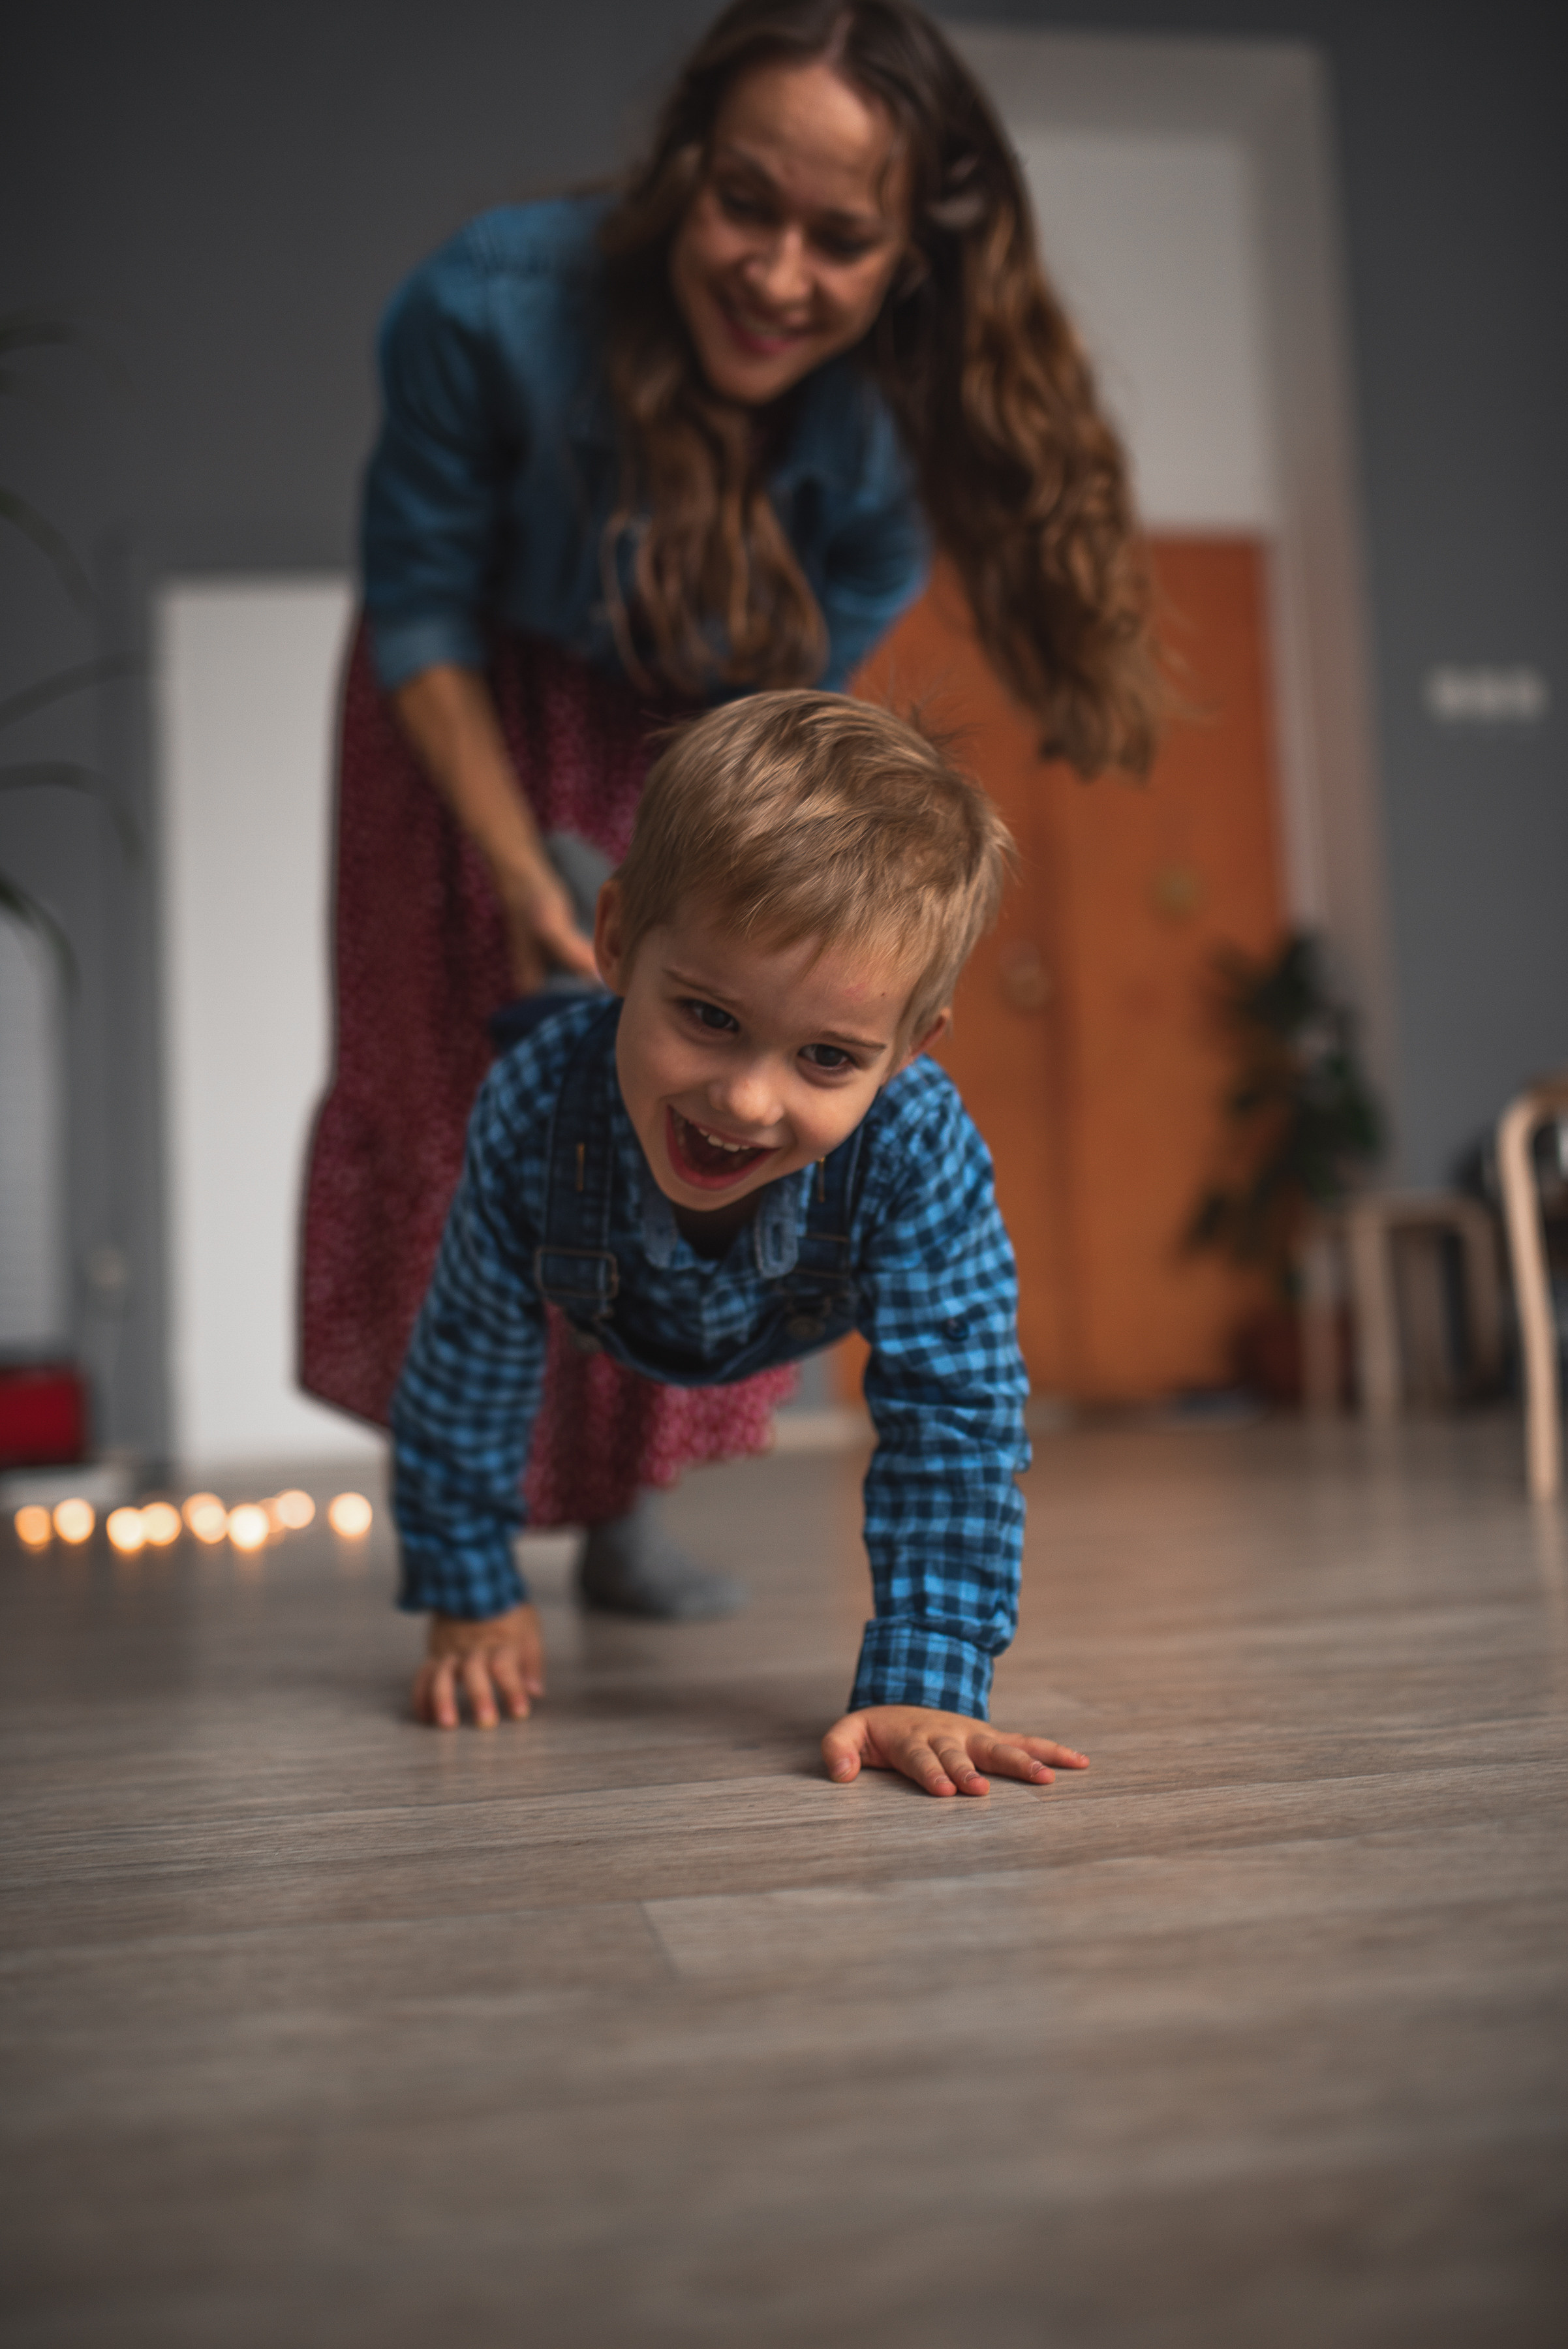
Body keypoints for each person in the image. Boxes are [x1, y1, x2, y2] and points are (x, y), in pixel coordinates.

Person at [301, 0, 1158, 1622]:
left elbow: (776, 730)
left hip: (696, 735)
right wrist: (523, 869)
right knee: (500, 1106)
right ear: (683, 161)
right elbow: (416, 613)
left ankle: (629, 1511)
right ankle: (469, 1539)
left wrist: (689, 874)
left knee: (713, 1095)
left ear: (907, 251)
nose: (777, 276)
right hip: (463, 724)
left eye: (840, 239)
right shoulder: (484, 305)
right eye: (743, 204)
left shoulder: (887, 440)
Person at [393, 690, 1091, 1799]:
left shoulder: (918, 1149)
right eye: (710, 1017)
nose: (748, 1099)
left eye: (826, 1057)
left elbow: (955, 1413)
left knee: (943, 1385)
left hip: (785, 1295)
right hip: (610, 1269)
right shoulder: (531, 1111)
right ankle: (567, 914)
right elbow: (471, 1356)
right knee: (556, 1032)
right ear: (621, 940)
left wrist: (929, 1671)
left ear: (909, 1051)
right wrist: (467, 1584)